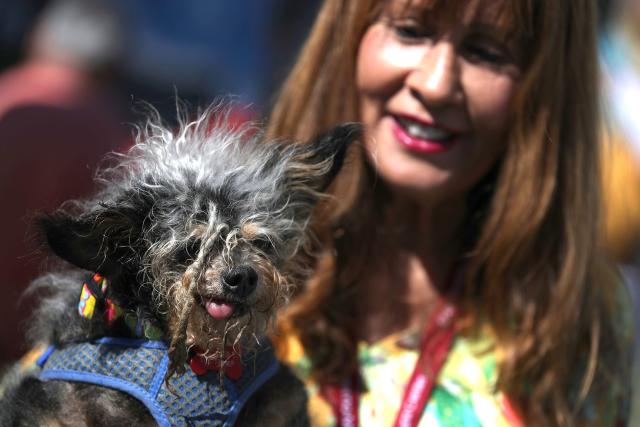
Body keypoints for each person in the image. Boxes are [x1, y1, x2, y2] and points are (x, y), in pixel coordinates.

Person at [267, 0, 634, 425]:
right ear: (346, 36)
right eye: (410, 31)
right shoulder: (228, 271)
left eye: (487, 53)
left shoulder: (578, 323)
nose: (436, 84)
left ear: (544, 87)